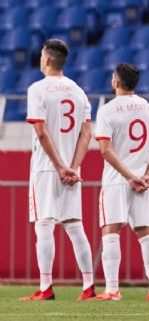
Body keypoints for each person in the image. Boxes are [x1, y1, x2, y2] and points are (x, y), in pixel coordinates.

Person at [20, 39, 96, 301]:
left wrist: (60, 167)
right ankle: (88, 286)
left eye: (42, 55)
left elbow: (41, 132)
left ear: (47, 60)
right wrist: (73, 167)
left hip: (46, 169)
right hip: (71, 170)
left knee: (44, 226)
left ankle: (46, 287)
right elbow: (87, 134)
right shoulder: (79, 92)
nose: (40, 59)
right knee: (75, 226)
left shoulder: (37, 90)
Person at [92, 63, 149, 300]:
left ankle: (112, 289)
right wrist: (147, 175)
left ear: (116, 81)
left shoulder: (108, 110)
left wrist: (128, 176)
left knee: (111, 229)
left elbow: (105, 150)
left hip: (117, 179)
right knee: (146, 232)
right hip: (142, 182)